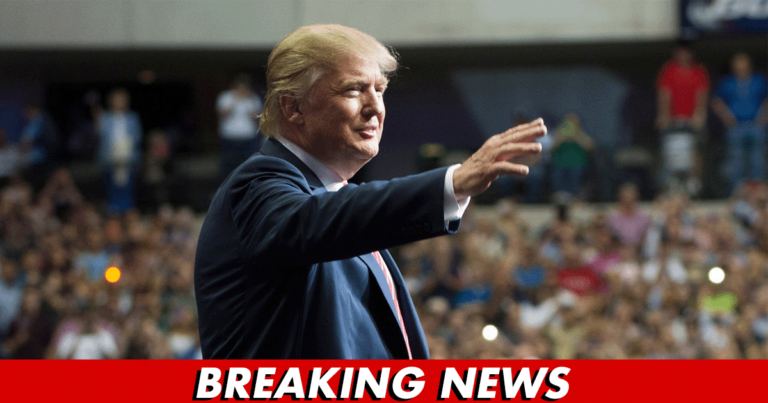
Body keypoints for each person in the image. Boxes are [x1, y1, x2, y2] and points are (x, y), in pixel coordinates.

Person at [194, 24, 546, 359]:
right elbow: (321, 219)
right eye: (353, 90)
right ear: (294, 107)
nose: (376, 107)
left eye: (380, 90)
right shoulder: (256, 185)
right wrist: (452, 182)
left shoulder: (339, 202)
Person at [656, 44, 709, 196]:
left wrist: (699, 115)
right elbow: (664, 93)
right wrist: (664, 115)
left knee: (695, 149)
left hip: (691, 120)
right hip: (673, 120)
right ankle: (670, 182)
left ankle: (694, 182)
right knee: (668, 150)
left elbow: (701, 94)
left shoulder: (698, 71)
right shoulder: (669, 70)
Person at [711, 53, 768, 193]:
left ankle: (757, 193)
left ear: (749, 67)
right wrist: (726, 117)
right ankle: (737, 193)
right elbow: (716, 101)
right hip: (736, 127)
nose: (741, 70)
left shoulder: (758, 81)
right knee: (736, 162)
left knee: (757, 160)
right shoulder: (727, 83)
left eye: (744, 67)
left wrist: (764, 117)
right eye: (738, 68)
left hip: (756, 125)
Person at [96, 88, 143, 214]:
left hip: (128, 159)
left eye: (122, 100)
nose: (119, 103)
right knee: (111, 189)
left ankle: (128, 211)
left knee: (128, 188)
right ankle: (113, 213)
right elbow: (101, 137)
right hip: (110, 159)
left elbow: (137, 137)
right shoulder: (105, 117)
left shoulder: (132, 118)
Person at [216, 74, 263, 178]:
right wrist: (236, 100)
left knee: (247, 164)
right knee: (228, 164)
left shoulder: (253, 98)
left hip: (248, 138)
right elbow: (222, 114)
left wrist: (249, 102)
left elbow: (257, 118)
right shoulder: (226, 96)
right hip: (229, 137)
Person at [550, 113, 594, 198]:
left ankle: (573, 198)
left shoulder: (581, 133)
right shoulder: (559, 133)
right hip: (560, 163)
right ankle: (559, 198)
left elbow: (591, 146)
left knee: (575, 178)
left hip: (577, 164)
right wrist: (561, 136)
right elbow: (551, 148)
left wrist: (577, 135)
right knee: (557, 177)